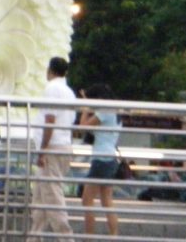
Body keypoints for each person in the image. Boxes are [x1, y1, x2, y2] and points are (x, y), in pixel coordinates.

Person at [26, 56, 76, 242]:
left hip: (52, 148)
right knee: (40, 196)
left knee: (52, 196)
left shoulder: (51, 89)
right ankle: (34, 237)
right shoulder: (69, 92)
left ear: (50, 70)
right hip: (62, 145)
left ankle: (66, 238)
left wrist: (43, 150)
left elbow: (50, 120)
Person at [78, 83, 120, 237]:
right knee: (107, 202)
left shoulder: (104, 110)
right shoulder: (115, 112)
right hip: (111, 159)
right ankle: (113, 237)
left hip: (101, 159)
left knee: (87, 201)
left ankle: (89, 237)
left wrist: (85, 107)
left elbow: (82, 127)